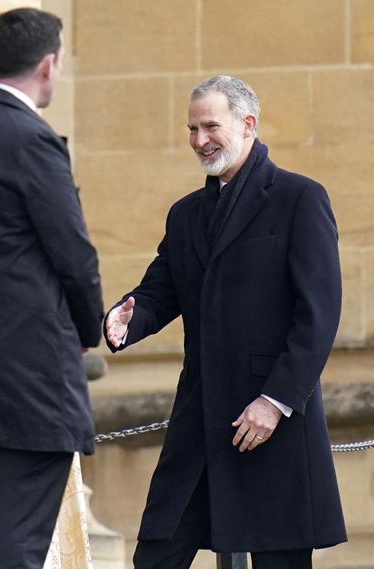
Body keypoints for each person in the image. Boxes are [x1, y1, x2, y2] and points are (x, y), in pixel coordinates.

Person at [105, 75, 346, 569]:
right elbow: (161, 289)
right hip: (199, 417)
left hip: (269, 422)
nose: (199, 140)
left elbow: (317, 316)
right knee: (156, 554)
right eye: (192, 128)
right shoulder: (186, 213)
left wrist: (276, 401)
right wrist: (128, 318)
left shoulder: (300, 198)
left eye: (210, 126)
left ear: (247, 124)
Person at [0, 8, 104, 569]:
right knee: (20, 540)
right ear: (49, 64)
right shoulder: (30, 138)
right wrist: (89, 329)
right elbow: (75, 255)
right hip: (28, 375)